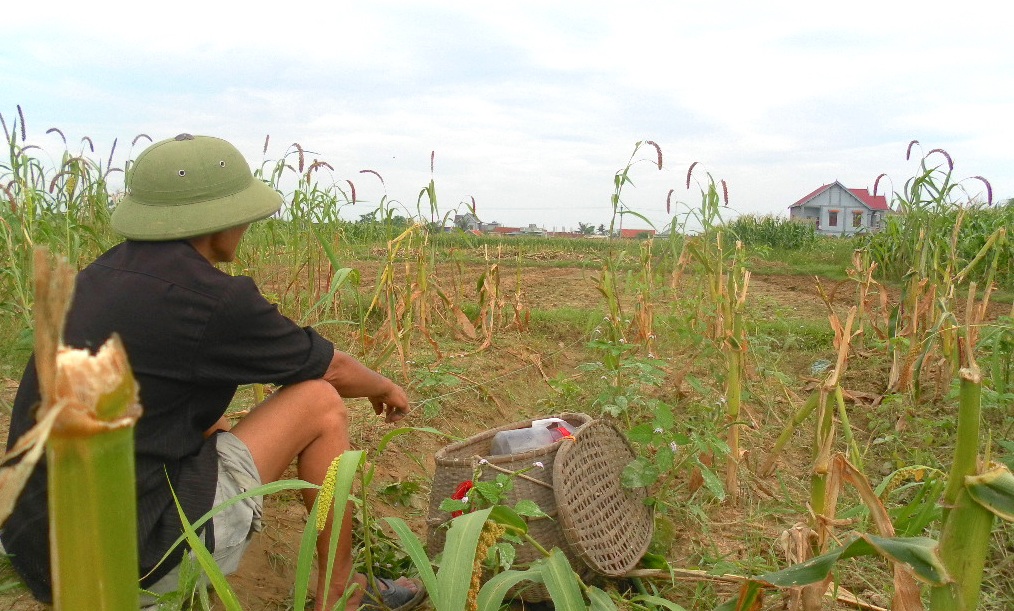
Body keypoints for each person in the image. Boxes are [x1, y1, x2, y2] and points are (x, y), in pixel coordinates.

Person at [1, 134, 424, 610]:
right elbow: (334, 369)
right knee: (320, 402)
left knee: (213, 424)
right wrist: (387, 388)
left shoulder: (97, 277)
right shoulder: (213, 299)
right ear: (214, 220)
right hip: (128, 563)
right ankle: (342, 593)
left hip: (37, 544)